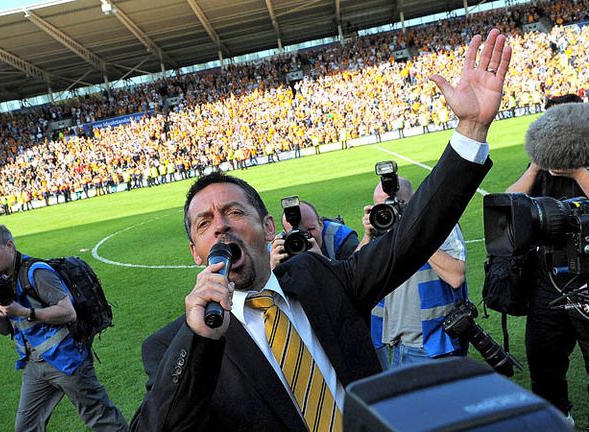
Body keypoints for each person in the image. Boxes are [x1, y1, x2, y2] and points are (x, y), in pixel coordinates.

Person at [130, 29, 510, 432]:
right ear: (196, 252)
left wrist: (470, 130)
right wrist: (199, 339)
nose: (221, 225)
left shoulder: (319, 277)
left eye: (234, 212)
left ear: (268, 227)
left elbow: (407, 241)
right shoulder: (173, 344)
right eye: (204, 223)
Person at [505, 94, 589, 423]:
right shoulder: (542, 169)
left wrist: (577, 173)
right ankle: (557, 422)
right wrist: (535, 164)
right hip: (548, 284)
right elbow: (508, 205)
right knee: (543, 368)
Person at [0, 224, 127, 432]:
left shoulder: (37, 272)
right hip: (34, 365)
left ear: (9, 246)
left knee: (100, 418)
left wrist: (24, 312)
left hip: (67, 360)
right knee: (26, 427)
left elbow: (68, 312)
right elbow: (7, 329)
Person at [359, 176, 468, 366]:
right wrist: (368, 236)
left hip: (432, 346)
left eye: (395, 205)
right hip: (397, 344)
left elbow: (456, 276)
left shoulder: (439, 223)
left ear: (415, 200)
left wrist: (414, 230)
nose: (388, 211)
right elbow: (357, 278)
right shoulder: (382, 230)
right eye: (380, 206)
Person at [270, 200, 359, 269]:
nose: (303, 238)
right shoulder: (279, 248)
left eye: (310, 229)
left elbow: (355, 277)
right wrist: (273, 269)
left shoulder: (340, 237)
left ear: (321, 224)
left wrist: (323, 261)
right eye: (295, 233)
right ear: (285, 233)